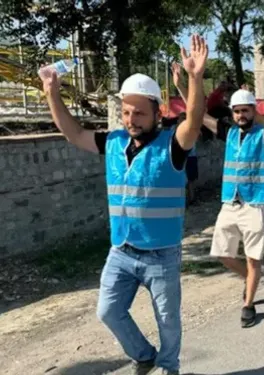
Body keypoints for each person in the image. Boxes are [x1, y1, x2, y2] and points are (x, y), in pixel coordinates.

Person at [40, 35, 207, 375]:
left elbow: (193, 119)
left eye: (139, 113)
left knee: (168, 321)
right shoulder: (113, 142)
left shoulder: (172, 144)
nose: (131, 119)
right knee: (108, 311)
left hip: (162, 253)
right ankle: (143, 355)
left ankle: (168, 367)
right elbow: (73, 133)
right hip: (122, 250)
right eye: (127, 112)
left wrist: (195, 79)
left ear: (157, 113)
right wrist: (52, 94)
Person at [208, 55, 264, 328]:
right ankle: (251, 279)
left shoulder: (263, 134)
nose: (241, 115)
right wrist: (187, 85)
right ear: (232, 113)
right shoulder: (228, 133)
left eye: (246, 110)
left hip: (255, 203)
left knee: (254, 258)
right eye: (237, 111)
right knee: (221, 254)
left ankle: (248, 303)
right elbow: (197, 116)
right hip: (230, 203)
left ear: (254, 111)